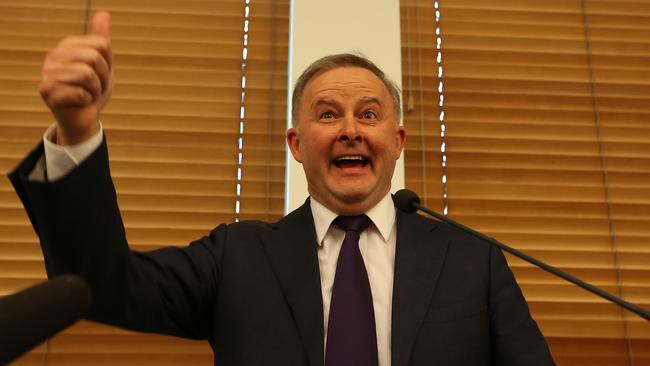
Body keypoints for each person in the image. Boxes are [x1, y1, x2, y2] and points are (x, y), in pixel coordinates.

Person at [9, 11, 554, 366]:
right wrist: (77, 132)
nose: (349, 129)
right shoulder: (238, 256)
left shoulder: (472, 261)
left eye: (368, 113)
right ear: (296, 144)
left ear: (398, 139)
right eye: (327, 114)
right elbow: (98, 287)